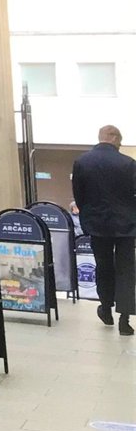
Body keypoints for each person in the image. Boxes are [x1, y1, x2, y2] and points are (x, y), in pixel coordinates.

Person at [71, 124, 135, 335]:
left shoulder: (82, 162)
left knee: (103, 265)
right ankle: (124, 319)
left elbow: (79, 195)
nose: (120, 145)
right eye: (120, 141)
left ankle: (106, 307)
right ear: (114, 138)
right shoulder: (129, 164)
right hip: (126, 226)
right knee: (126, 270)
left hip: (97, 225)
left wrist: (88, 216)